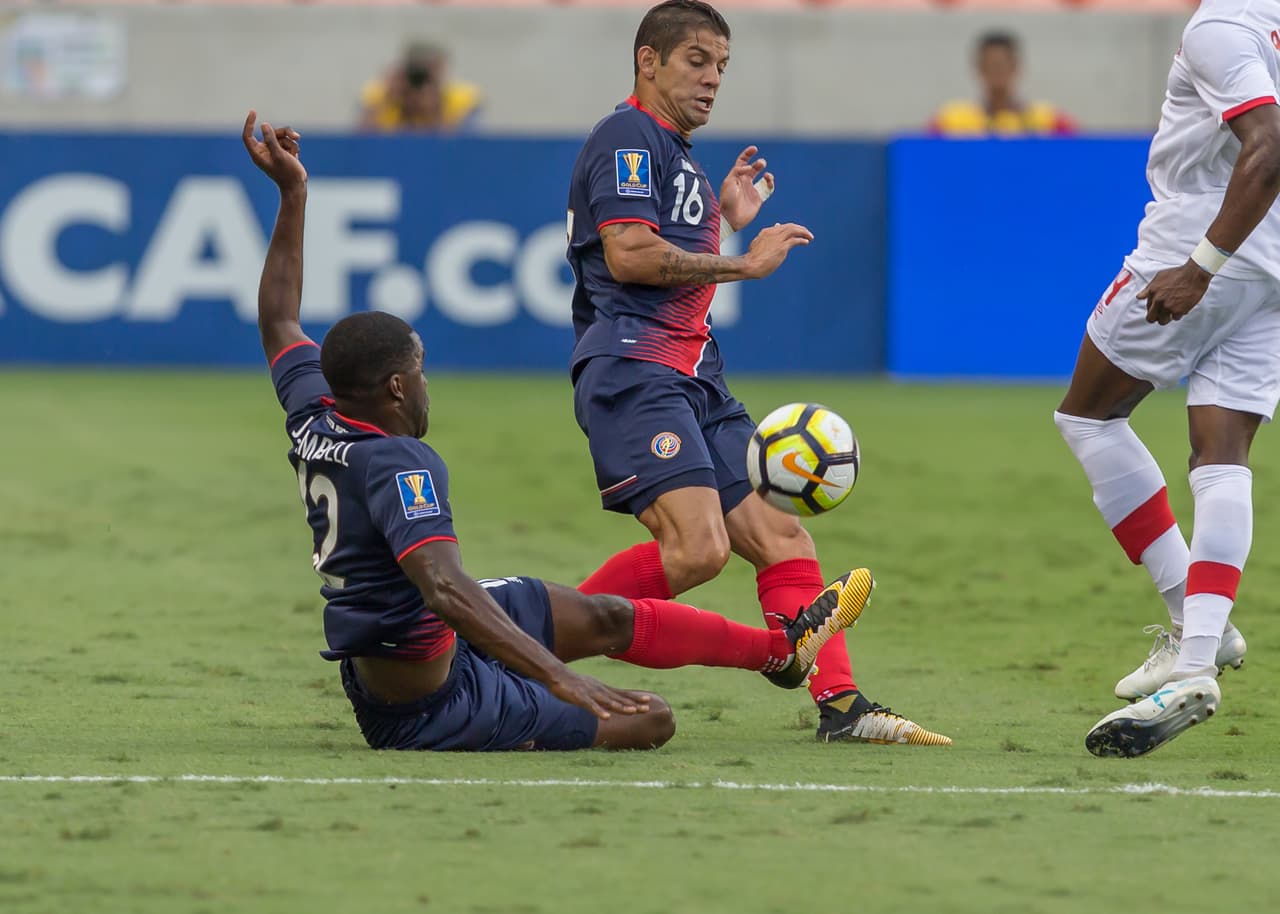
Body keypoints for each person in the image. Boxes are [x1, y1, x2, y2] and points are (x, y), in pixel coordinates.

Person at [241, 109, 875, 752]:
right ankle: (538, 681)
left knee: (606, 615)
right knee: (652, 717)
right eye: (420, 370)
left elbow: (278, 319)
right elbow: (444, 586)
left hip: (409, 644)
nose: (427, 382)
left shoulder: (315, 408)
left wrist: (292, 194)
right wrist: (560, 678)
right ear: (397, 388)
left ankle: (781, 653)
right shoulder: (401, 463)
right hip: (429, 697)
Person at [564, 0, 951, 747]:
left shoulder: (674, 153)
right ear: (648, 60)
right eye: (697, 61)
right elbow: (630, 256)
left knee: (784, 539)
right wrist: (743, 260)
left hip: (695, 376)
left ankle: (842, 705)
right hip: (636, 369)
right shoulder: (626, 135)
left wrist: (718, 217)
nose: (713, 80)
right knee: (697, 551)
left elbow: (668, 252)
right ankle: (530, 647)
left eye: (722, 67)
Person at [1054, 0, 1280, 758]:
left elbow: (1269, 145)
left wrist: (1200, 268)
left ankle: (1191, 620)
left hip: (1200, 246)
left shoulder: (1221, 25)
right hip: (1275, 264)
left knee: (1088, 416)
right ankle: (1194, 663)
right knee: (1221, 456)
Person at [929, 31, 1076, 138]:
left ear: (1017, 67)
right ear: (978, 69)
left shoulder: (1049, 121)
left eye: (1002, 65)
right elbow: (922, 160)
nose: (997, 71)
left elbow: (1080, 157)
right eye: (991, 65)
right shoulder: (951, 121)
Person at [358, 41, 482, 133]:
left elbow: (465, 148)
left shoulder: (464, 99)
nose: (422, 80)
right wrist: (386, 100)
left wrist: (434, 111)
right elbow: (358, 144)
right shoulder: (380, 95)